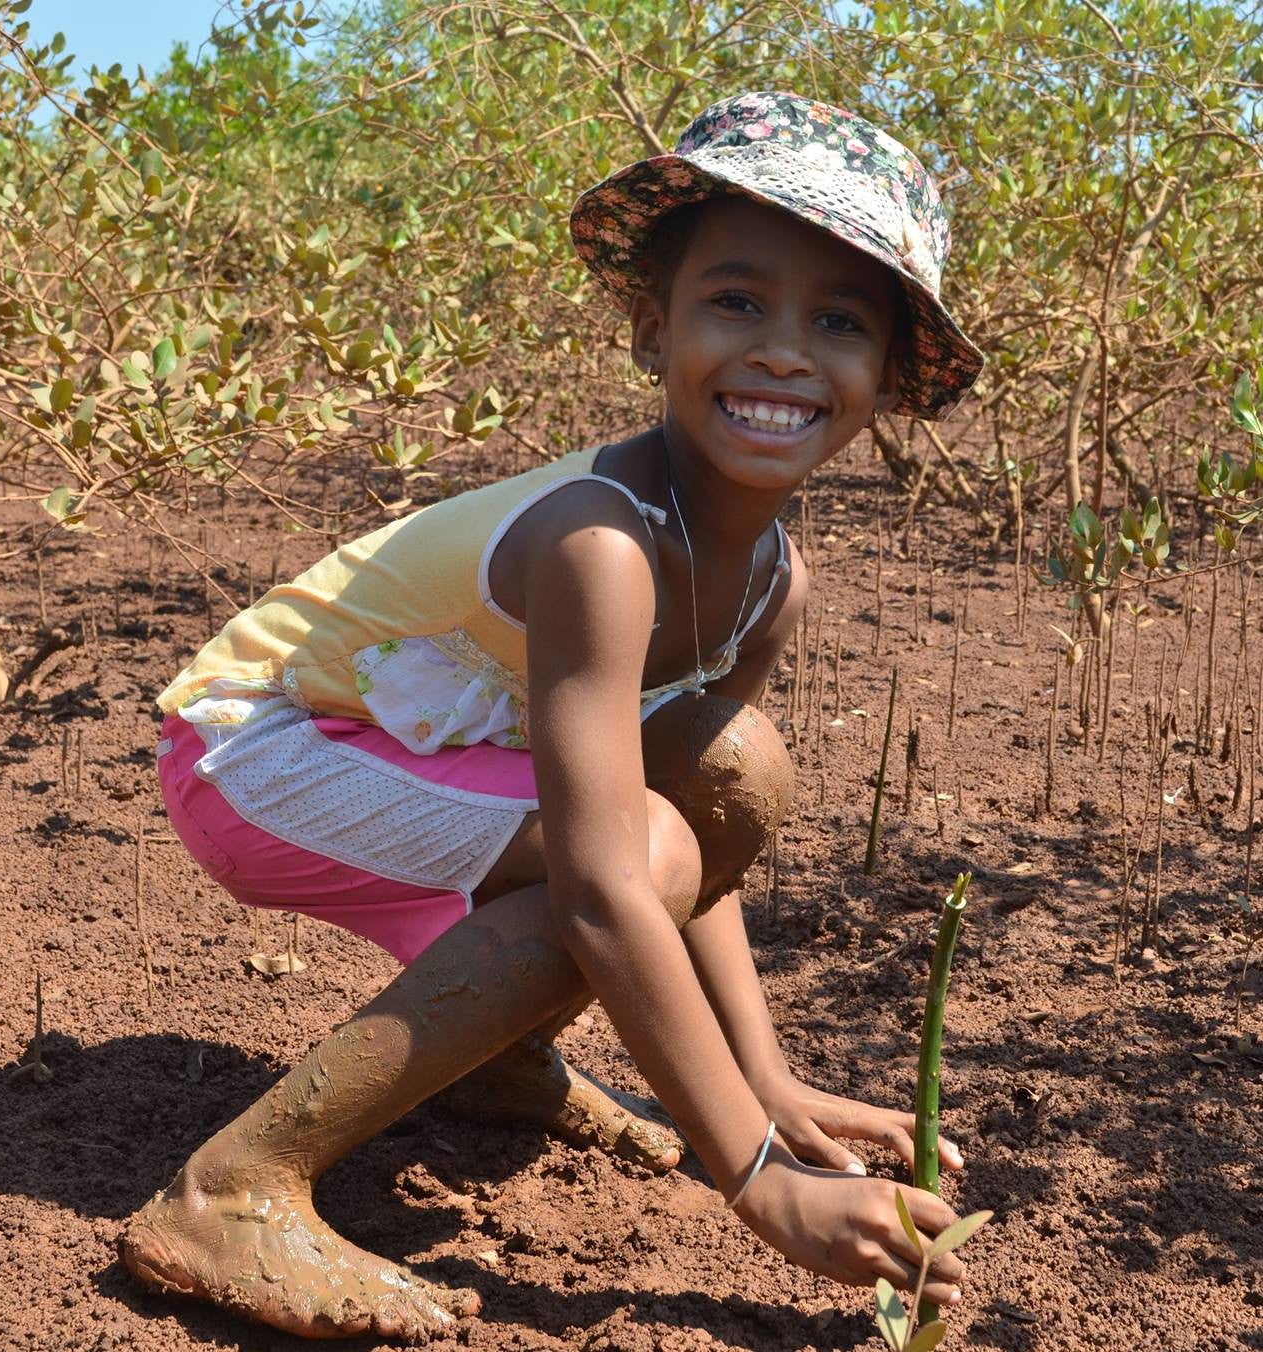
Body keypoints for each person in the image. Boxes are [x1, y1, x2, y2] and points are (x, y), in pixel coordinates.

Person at [120, 90, 986, 1342]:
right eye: (735, 301)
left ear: (886, 380)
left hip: (410, 752)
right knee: (636, 854)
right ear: (652, 330)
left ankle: (491, 1061)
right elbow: (608, 884)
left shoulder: (770, 578)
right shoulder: (601, 545)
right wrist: (762, 1183)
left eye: (839, 321)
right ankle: (227, 1187)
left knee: (723, 774)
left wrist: (767, 1084)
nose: (785, 352)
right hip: (253, 752)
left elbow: (697, 833)